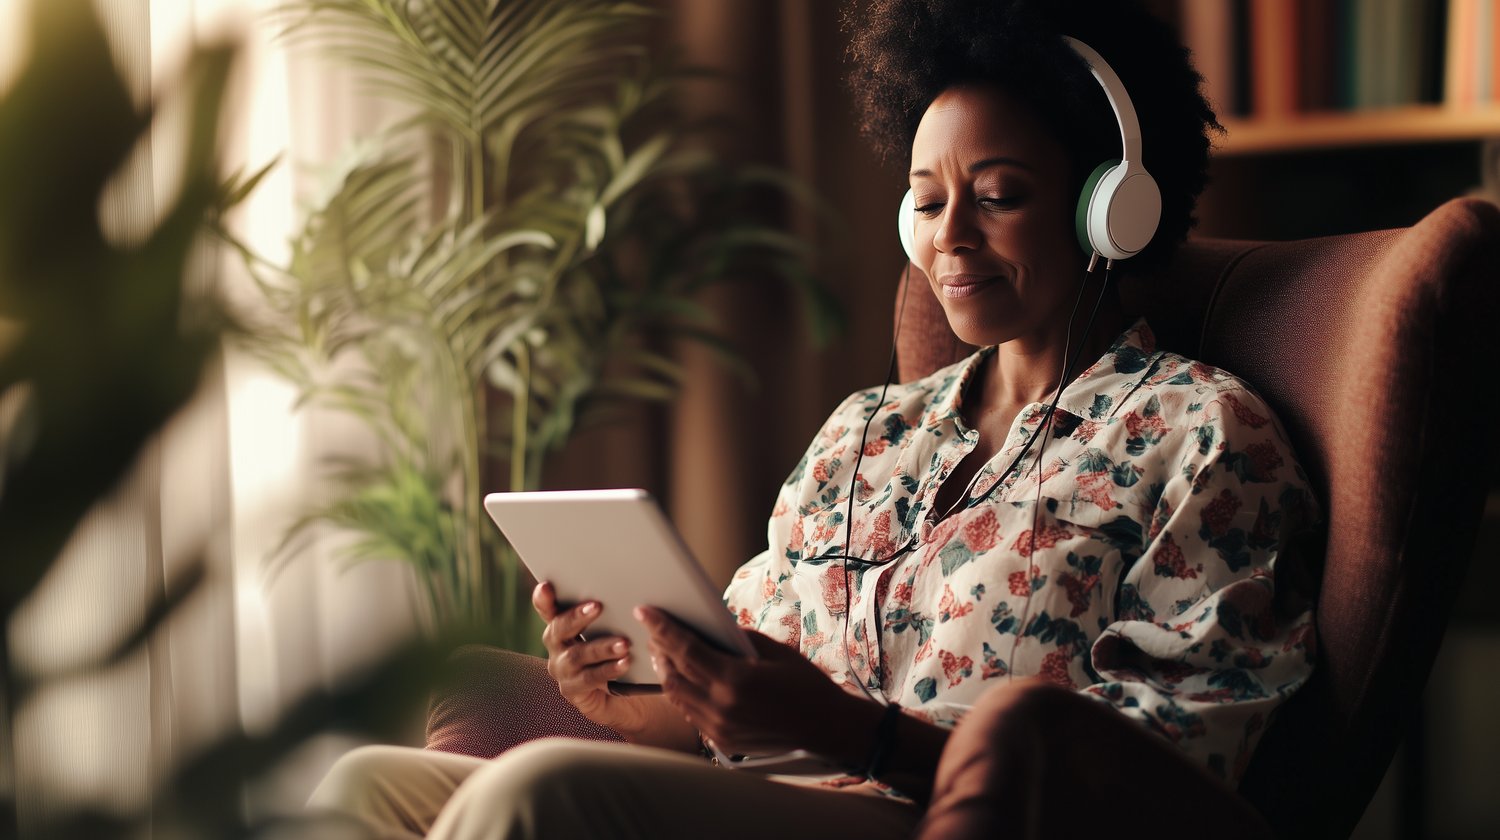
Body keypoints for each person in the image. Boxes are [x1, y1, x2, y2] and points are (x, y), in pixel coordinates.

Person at [307, 1, 1321, 837]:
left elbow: (1171, 773)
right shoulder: (867, 432)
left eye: (999, 195)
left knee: (532, 799)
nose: (952, 236)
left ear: (1111, 207)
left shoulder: (1201, 437)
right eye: (926, 201)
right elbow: (739, 710)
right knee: (363, 786)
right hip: (773, 802)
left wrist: (856, 734)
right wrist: (637, 697)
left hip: (933, 817)